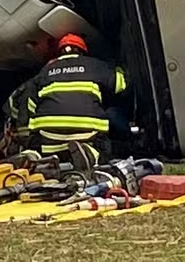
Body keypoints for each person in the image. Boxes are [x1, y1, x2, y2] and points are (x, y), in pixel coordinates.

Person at [25, 33, 128, 165]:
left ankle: (35, 156)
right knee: (102, 146)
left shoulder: (46, 70)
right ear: (82, 51)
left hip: (48, 133)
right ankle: (91, 154)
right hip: (86, 130)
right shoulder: (93, 64)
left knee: (43, 144)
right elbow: (120, 85)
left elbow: (30, 103)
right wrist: (119, 68)